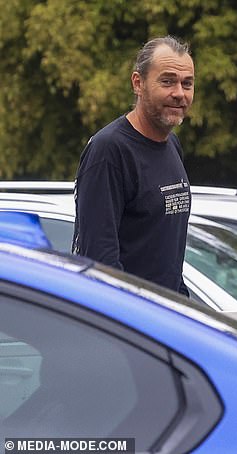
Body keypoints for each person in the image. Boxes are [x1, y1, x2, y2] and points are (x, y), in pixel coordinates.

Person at [72, 36, 194, 296]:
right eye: (167, 81)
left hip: (166, 318)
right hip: (126, 325)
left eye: (187, 83)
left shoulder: (172, 144)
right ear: (138, 83)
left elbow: (168, 261)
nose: (179, 93)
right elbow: (100, 263)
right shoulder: (109, 151)